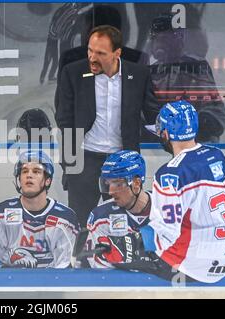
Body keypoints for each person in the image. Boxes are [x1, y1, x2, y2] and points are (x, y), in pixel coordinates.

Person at [98, 100, 225, 283]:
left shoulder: (169, 174)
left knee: (118, 260)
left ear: (166, 133)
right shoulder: (216, 156)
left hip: (191, 267)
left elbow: (167, 232)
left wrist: (127, 243)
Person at [56, 25, 159, 229]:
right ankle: (79, 260)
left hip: (123, 162)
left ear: (117, 53)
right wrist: (70, 164)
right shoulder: (73, 72)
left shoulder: (138, 74)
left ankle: (124, 260)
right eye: (90, 51)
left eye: (100, 53)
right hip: (85, 159)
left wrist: (175, 141)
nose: (93, 57)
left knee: (124, 221)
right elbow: (64, 119)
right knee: (81, 222)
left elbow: (152, 114)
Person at [0, 151, 79, 268]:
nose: (29, 175)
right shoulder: (0, 214)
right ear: (19, 179)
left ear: (47, 180)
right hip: (9, 283)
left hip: (51, 285)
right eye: (24, 171)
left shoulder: (66, 218)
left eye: (36, 171)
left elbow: (67, 263)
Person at [146, 14, 225, 143]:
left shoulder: (195, 67)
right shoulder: (151, 71)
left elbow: (214, 113)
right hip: (161, 143)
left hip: (193, 143)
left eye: (164, 39)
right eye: (156, 39)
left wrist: (188, 131)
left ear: (178, 40)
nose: (159, 44)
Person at [86, 150, 151, 269]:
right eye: (108, 184)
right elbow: (100, 268)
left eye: (117, 184)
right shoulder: (100, 217)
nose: (110, 191)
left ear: (136, 183)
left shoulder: (165, 208)